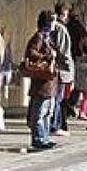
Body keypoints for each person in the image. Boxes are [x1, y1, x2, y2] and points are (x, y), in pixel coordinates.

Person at [24, 11, 59, 151]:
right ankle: (39, 139)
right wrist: (48, 56)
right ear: (48, 22)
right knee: (39, 111)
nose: (55, 24)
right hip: (42, 81)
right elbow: (30, 53)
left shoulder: (47, 37)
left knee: (45, 112)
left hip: (48, 81)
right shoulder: (39, 37)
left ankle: (44, 137)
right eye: (53, 21)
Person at [50, 3, 74, 137]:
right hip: (61, 70)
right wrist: (69, 69)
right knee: (59, 99)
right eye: (65, 15)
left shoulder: (51, 27)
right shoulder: (61, 29)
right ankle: (55, 125)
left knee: (53, 98)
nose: (67, 18)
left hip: (52, 69)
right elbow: (64, 51)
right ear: (60, 15)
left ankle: (51, 124)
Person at [66, 11, 87, 120]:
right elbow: (83, 40)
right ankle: (84, 112)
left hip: (72, 59)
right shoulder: (81, 29)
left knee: (74, 88)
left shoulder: (66, 27)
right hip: (78, 58)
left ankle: (69, 105)